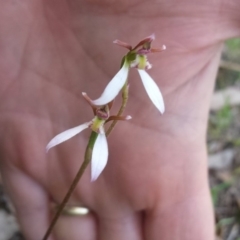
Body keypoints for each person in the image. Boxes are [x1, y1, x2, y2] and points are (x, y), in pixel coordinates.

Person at [0, 0, 240, 239]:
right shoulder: (116, 86)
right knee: (90, 157)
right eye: (140, 54)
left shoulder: (130, 80)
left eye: (145, 54)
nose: (145, 57)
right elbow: (102, 104)